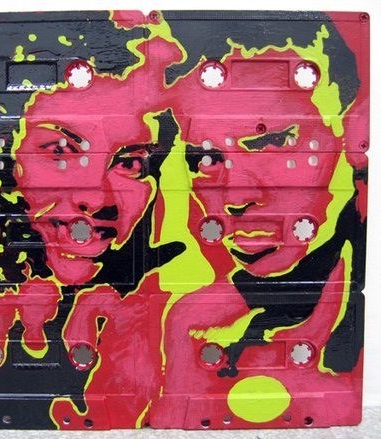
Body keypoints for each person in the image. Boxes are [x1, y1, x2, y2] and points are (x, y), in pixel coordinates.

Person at [150, 15, 367, 427]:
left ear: (349, 131)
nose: (236, 197)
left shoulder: (343, 323)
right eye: (206, 159)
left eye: (274, 141)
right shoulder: (185, 318)